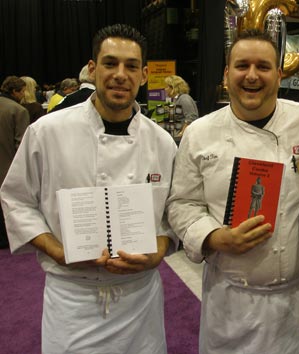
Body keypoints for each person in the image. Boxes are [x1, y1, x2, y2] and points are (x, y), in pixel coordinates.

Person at [0, 24, 177, 354]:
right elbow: (17, 200)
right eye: (110, 63)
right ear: (92, 69)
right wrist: (57, 249)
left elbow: (173, 212)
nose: (120, 74)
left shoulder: (162, 143)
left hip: (139, 300)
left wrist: (159, 250)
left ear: (144, 75)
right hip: (72, 298)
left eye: (131, 66)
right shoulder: (47, 132)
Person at [167, 29, 299, 354]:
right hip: (231, 299)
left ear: (279, 74)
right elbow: (182, 205)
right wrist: (215, 238)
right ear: (226, 74)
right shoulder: (199, 133)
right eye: (242, 66)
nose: (252, 76)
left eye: (263, 67)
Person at [0, 76, 30, 249]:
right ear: (15, 91)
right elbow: (22, 147)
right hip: (8, 168)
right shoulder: (18, 111)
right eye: (23, 90)